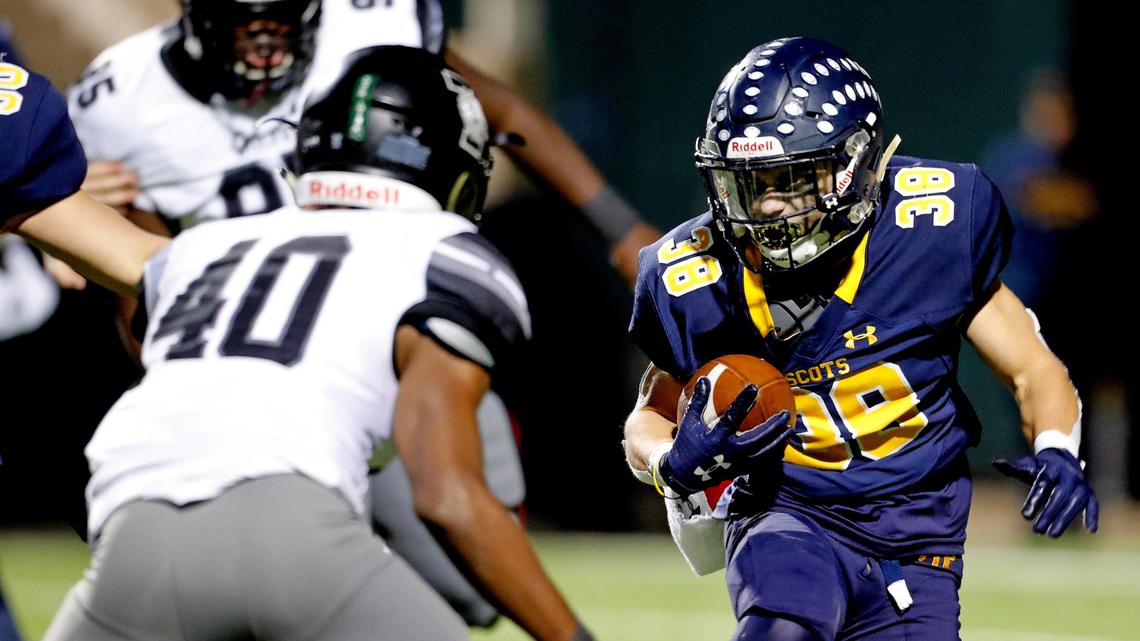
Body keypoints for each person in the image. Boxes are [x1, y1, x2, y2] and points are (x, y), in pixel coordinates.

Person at [65, 1, 655, 624]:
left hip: (200, 422)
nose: (265, 43)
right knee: (466, 560)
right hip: (263, 371)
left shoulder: (194, 247)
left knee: (465, 590)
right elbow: (450, 499)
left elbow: (128, 262)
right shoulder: (446, 255)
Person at [622, 37, 1098, 641]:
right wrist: (667, 460)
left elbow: (1033, 367)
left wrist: (1058, 445)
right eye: (748, 182)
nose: (767, 205)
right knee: (780, 626)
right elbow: (651, 410)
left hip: (915, 530)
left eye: (790, 179)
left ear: (853, 165)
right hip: (787, 510)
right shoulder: (694, 273)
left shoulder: (931, 230)